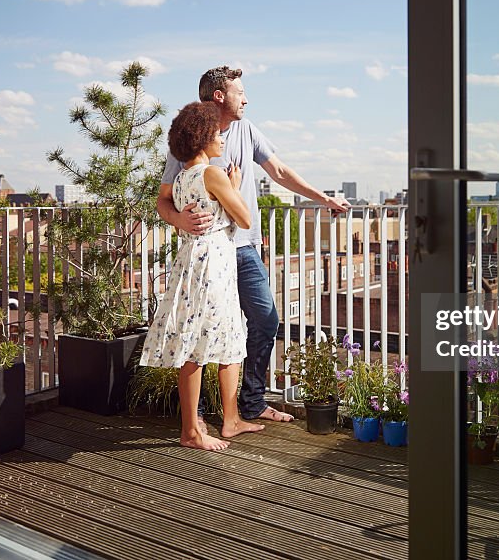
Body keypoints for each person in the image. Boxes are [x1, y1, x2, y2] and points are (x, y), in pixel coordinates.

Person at [157, 66, 350, 424]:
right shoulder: (190, 139)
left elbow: (279, 171)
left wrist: (323, 198)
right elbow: (164, 199)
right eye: (240, 92)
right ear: (219, 96)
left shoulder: (246, 129)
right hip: (208, 252)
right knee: (200, 329)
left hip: (244, 248)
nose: (246, 98)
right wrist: (178, 219)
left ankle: (250, 403)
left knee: (264, 321)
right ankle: (196, 417)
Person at [140, 101, 264, 451]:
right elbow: (245, 219)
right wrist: (235, 185)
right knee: (210, 340)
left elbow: (174, 208)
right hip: (215, 263)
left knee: (215, 337)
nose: (221, 139)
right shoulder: (213, 174)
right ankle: (196, 430)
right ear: (200, 138)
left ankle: (227, 420)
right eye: (215, 134)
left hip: (196, 259)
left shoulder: (181, 179)